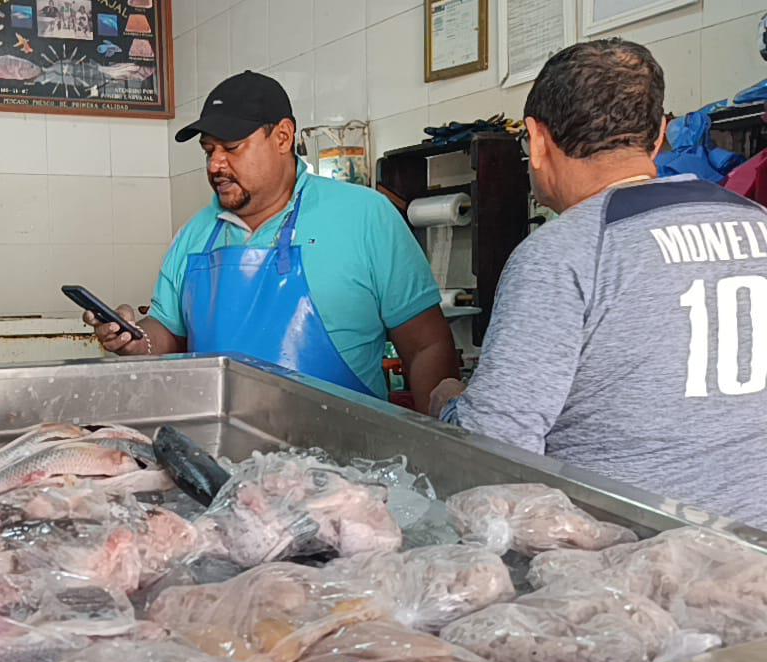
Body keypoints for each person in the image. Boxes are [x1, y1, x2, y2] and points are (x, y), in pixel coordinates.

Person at [431, 39, 767, 526]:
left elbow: (494, 453)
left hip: (629, 569)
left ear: (538, 141)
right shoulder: (758, 222)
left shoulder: (562, 254)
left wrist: (447, 404)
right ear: (657, 139)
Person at [85, 71, 458, 412]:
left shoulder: (365, 217)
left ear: (282, 136)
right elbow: (167, 333)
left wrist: (439, 443)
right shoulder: (195, 234)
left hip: (347, 465)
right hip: (224, 458)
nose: (215, 165)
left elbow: (427, 345)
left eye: (231, 148)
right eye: (209, 151)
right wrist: (134, 340)